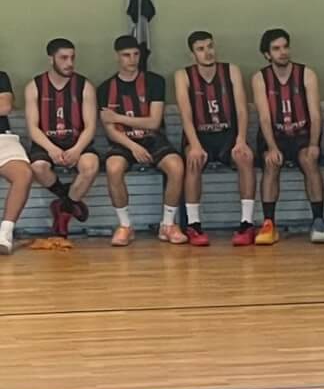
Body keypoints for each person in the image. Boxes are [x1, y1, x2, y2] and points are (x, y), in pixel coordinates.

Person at [100, 34, 188, 245]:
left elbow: (154, 122)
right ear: (117, 57)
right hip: (124, 141)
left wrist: (118, 117)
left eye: (136, 54)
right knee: (113, 167)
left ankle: (168, 224)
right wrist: (133, 147)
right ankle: (125, 226)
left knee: (176, 166)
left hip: (152, 139)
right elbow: (111, 131)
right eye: (126, 55)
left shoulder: (155, 81)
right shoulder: (105, 88)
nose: (132, 59)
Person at [174, 30, 258, 247]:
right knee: (193, 160)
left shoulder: (231, 71)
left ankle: (247, 223)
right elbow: (186, 114)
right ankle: (194, 225)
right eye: (201, 49)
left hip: (228, 134)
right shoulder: (183, 75)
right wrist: (194, 145)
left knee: (245, 157)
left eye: (210, 46)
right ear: (192, 54)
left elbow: (242, 109)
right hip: (200, 135)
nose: (208, 52)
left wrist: (241, 139)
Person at [252, 29, 324, 245]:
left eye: (285, 47)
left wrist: (314, 144)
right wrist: (272, 147)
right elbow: (264, 117)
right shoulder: (260, 78)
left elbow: (315, 114)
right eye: (276, 49)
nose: (283, 52)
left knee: (309, 160)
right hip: (275, 135)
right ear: (267, 54)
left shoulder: (307, 74)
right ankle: (269, 223)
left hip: (302, 134)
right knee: (272, 163)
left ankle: (318, 221)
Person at [23, 38, 101, 241]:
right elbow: (33, 127)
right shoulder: (34, 86)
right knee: (38, 167)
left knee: (91, 166)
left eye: (72, 58)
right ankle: (69, 201)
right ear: (51, 59)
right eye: (63, 58)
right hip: (46, 141)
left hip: (77, 141)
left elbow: (90, 126)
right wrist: (51, 149)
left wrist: (77, 149)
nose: (69, 63)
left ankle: (63, 211)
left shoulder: (84, 85)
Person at [0, 70, 31, 255]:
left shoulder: (1, 76)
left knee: (23, 174)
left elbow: (4, 107)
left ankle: (4, 234)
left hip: (2, 138)